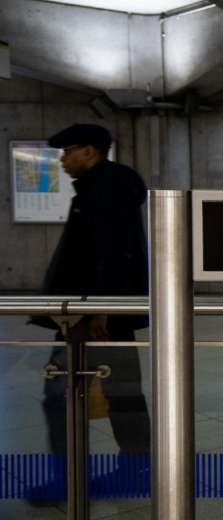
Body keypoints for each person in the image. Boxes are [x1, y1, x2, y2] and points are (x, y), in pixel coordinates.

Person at [32, 124, 151, 460]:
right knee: (122, 390)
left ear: (90, 150)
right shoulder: (98, 188)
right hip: (96, 310)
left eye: (68, 151)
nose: (62, 160)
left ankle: (67, 479)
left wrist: (102, 310)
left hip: (92, 316)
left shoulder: (103, 190)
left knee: (62, 396)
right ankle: (137, 467)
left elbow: (112, 253)